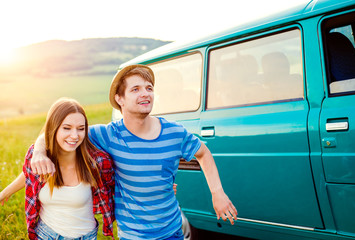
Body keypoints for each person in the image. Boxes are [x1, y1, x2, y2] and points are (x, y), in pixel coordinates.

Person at [30, 65, 238, 240]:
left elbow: (203, 153)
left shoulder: (175, 132)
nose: (145, 93)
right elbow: (55, 133)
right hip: (132, 235)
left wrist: (217, 193)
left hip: (172, 230)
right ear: (119, 98)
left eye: (149, 88)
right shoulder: (108, 135)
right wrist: (39, 152)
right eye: (136, 89)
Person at [0, 98, 115, 240]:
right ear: (54, 128)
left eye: (80, 129)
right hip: (45, 234)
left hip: (85, 236)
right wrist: (5, 193)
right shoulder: (40, 157)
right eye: (67, 128)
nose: (74, 136)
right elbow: (29, 173)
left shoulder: (97, 162)